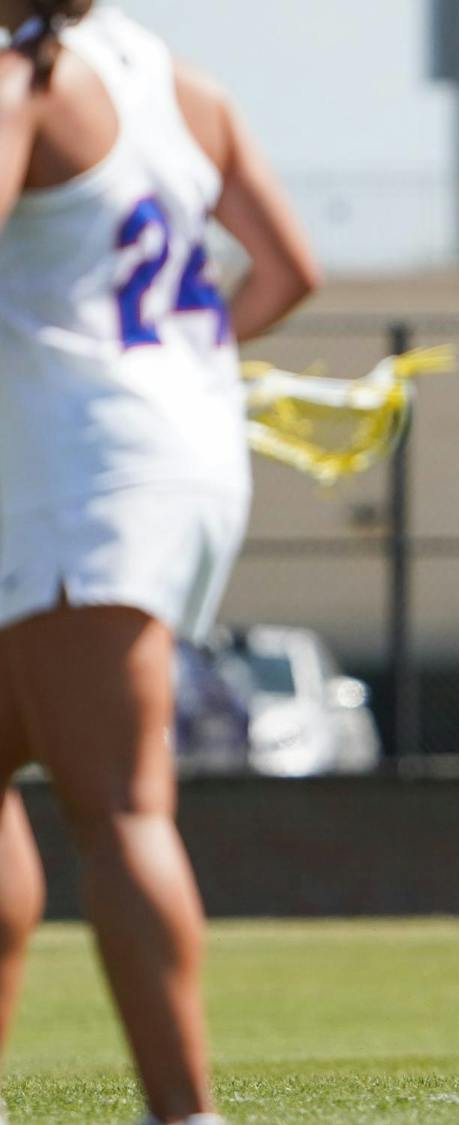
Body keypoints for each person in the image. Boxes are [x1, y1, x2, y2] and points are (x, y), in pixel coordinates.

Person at [0, 3, 319, 1122]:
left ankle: (186, 1115)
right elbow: (287, 271)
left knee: (121, 806)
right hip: (158, 461)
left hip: (79, 479)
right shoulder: (183, 83)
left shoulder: (26, 83)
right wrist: (178, 374)